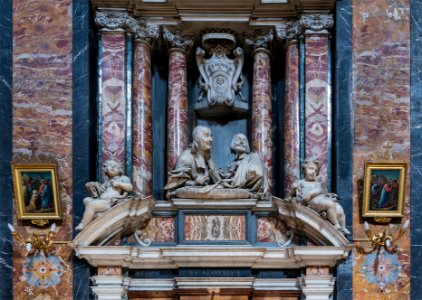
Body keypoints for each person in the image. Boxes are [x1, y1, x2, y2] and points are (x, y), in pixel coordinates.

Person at [290, 157, 350, 234]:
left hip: (322, 200)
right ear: (304, 169)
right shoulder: (301, 182)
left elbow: (324, 192)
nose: (313, 172)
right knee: (330, 204)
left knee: (339, 209)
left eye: (315, 170)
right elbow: (292, 195)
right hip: (312, 202)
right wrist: (293, 189)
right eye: (311, 168)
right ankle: (336, 224)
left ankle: (343, 227)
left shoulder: (319, 184)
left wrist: (331, 196)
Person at [75, 159, 133, 231]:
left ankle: (83, 224)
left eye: (115, 166)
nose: (112, 167)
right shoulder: (106, 183)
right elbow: (101, 192)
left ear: (120, 170)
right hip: (103, 201)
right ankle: (97, 214)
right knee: (86, 200)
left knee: (91, 205)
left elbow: (130, 188)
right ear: (105, 170)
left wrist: (119, 184)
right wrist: (94, 187)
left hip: (110, 202)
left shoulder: (122, 178)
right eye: (110, 166)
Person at [164, 125, 222, 193]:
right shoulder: (186, 157)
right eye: (206, 135)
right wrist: (194, 183)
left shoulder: (208, 158)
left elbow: (217, 181)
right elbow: (175, 183)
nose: (211, 139)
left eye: (211, 136)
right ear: (197, 138)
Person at [222, 133, 268, 198]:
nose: (241, 142)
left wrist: (236, 182)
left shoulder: (254, 157)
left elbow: (258, 174)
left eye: (244, 140)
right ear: (233, 144)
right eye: (239, 139)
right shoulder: (232, 164)